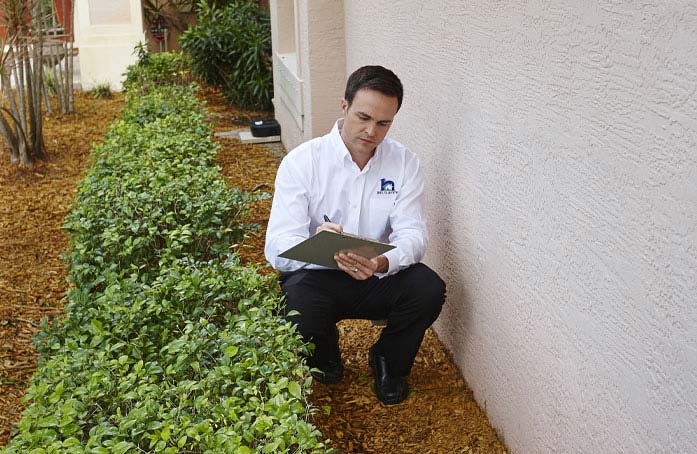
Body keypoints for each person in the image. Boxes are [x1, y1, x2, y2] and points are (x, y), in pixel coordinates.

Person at [264, 65, 445, 405]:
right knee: (296, 306)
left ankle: (388, 362)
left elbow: (413, 235)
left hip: (375, 275)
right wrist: (316, 242)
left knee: (428, 289)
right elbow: (275, 248)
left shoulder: (405, 163)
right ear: (344, 106)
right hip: (318, 277)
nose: (371, 131)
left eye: (383, 123)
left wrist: (380, 262)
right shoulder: (302, 162)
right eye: (363, 117)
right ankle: (324, 356)